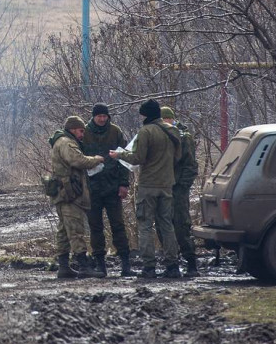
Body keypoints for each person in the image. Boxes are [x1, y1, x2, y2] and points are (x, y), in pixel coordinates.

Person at [109, 99, 183, 278]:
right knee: (167, 225)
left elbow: (137, 157)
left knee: (145, 225)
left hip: (148, 185)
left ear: (147, 114)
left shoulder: (146, 131)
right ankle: (172, 266)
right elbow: (178, 157)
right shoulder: (173, 131)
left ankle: (149, 266)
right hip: (167, 184)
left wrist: (119, 155)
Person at [50, 116, 106, 278]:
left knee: (63, 230)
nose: (82, 134)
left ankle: (64, 266)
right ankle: (83, 265)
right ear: (73, 129)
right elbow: (78, 160)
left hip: (63, 193)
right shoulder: (67, 143)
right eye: (81, 131)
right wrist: (96, 159)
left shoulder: (60, 141)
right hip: (69, 194)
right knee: (75, 229)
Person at [82, 103, 134, 277]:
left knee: (118, 225)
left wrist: (124, 184)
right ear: (93, 116)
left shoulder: (115, 132)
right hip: (92, 188)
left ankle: (125, 263)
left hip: (112, 187)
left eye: (105, 116)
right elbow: (79, 160)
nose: (102, 119)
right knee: (95, 226)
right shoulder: (85, 133)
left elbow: (123, 159)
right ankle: (100, 264)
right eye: (99, 116)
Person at [159, 106, 200, 277]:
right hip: (164, 186)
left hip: (178, 188)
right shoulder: (162, 136)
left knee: (182, 225)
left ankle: (191, 262)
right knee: (164, 225)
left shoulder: (184, 137)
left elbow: (191, 165)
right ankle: (171, 262)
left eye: (166, 120)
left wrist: (182, 186)